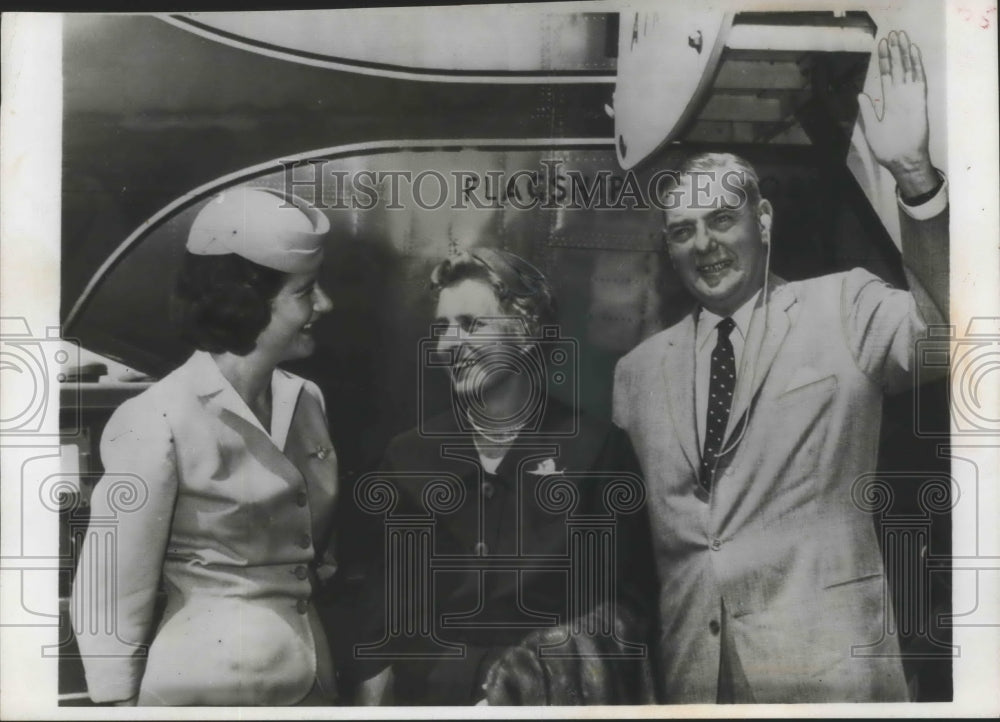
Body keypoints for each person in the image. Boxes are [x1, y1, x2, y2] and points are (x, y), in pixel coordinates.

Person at [611, 31, 948, 703]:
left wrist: (915, 178)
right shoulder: (636, 374)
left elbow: (949, 341)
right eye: (682, 231)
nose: (704, 243)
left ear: (762, 219)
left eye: (721, 219)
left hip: (830, 675)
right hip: (693, 683)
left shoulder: (845, 305)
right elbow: (638, 556)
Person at [71, 187, 339, 705]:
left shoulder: (307, 399)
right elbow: (111, 591)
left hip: (311, 679)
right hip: (204, 692)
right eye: (306, 291)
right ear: (247, 304)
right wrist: (118, 704)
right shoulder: (157, 419)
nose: (325, 305)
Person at [353, 248, 655, 705]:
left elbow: (628, 607)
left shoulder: (597, 451)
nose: (448, 345)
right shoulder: (408, 457)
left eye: (471, 324)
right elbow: (379, 616)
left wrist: (536, 674)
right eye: (442, 328)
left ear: (527, 332)